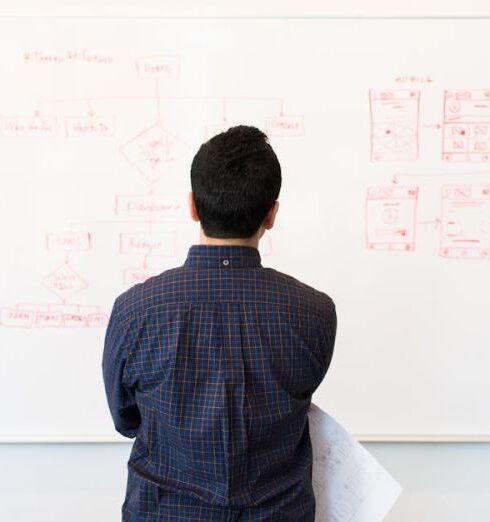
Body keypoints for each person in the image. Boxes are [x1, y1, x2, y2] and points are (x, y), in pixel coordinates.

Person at [102, 125, 337, 521]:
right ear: (272, 214)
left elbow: (126, 420)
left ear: (193, 206)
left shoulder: (134, 311)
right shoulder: (314, 312)